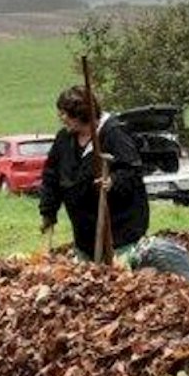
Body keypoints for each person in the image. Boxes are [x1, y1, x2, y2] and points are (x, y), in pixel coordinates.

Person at [39, 85, 151, 262]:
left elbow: (132, 171)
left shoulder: (114, 134)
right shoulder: (65, 139)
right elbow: (51, 176)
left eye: (64, 114)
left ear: (80, 114)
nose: (61, 118)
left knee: (117, 278)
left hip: (119, 230)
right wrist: (48, 211)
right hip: (85, 233)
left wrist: (113, 181)